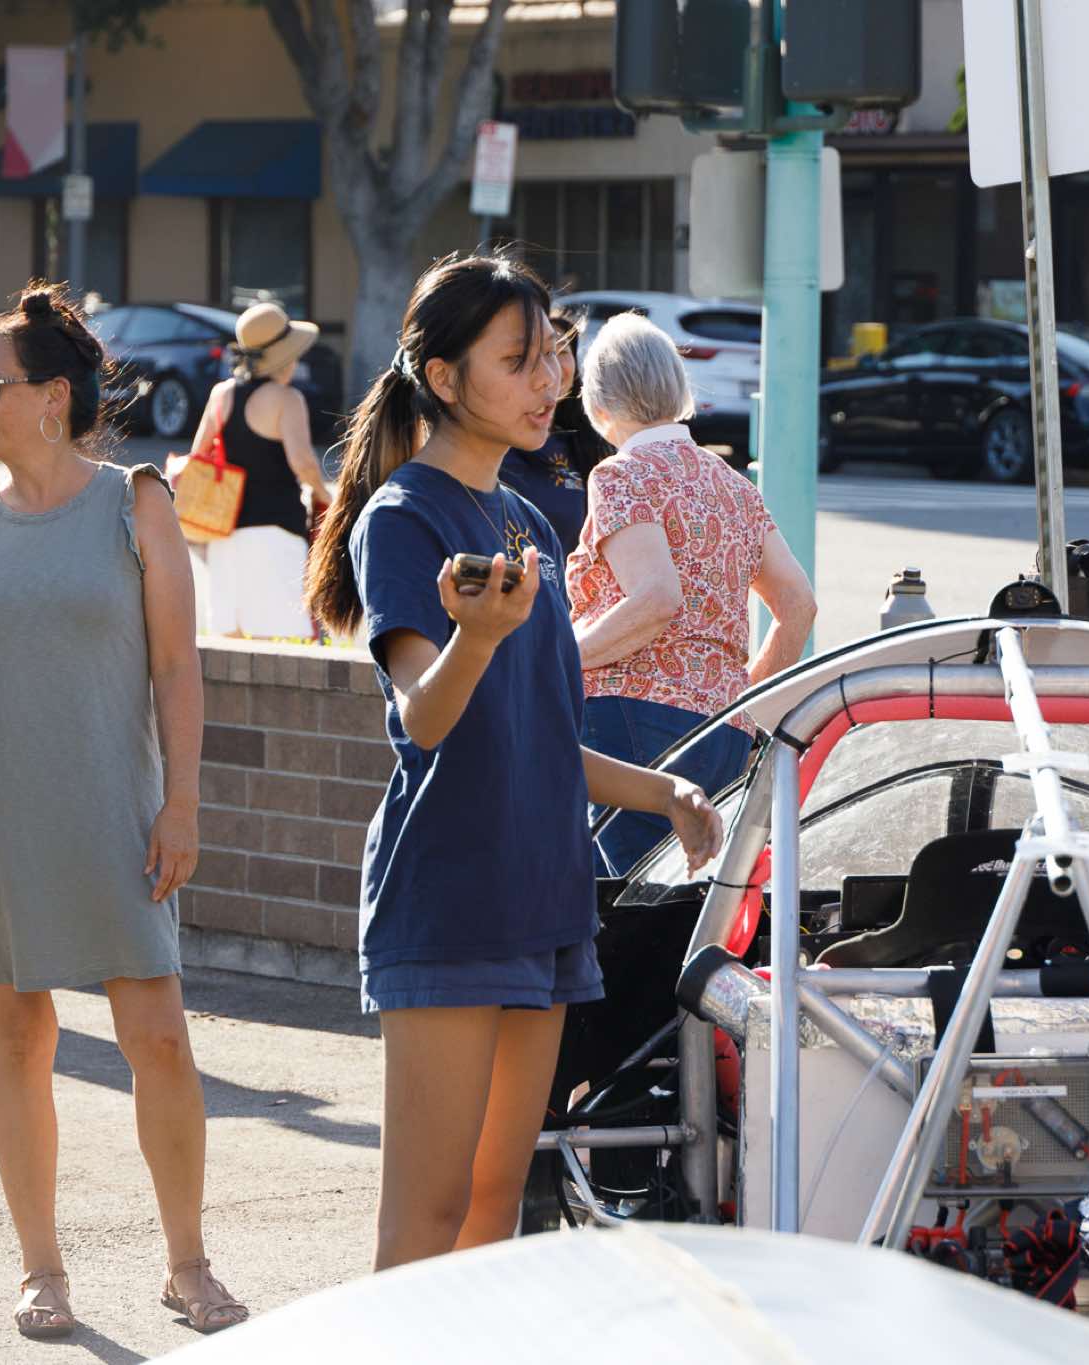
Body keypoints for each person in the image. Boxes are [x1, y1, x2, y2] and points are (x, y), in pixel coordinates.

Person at [302, 254, 724, 1270]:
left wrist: (665, 790)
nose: (550, 382)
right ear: (444, 378)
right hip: (451, 896)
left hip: (548, 897)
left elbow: (540, 734)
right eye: (519, 360)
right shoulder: (403, 515)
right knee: (428, 1213)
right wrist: (477, 637)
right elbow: (426, 718)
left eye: (555, 356)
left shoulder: (528, 520)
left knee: (498, 1205)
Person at [0, 284, 247, 1336]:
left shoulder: (134, 502)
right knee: (17, 1036)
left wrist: (181, 802)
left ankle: (188, 1265)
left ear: (51, 396)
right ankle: (41, 1270)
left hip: (117, 805)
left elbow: (178, 667)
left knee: (159, 1038)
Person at [569, 313, 816, 876]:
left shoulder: (620, 474)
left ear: (598, 402)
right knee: (689, 897)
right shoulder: (733, 485)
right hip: (722, 729)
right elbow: (799, 606)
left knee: (627, 902)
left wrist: (559, 655)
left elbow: (657, 599)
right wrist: (740, 701)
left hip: (629, 717)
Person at [184, 300, 332, 638]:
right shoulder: (287, 400)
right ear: (284, 356)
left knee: (232, 648)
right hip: (276, 534)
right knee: (281, 646)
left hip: (225, 536)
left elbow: (198, 458)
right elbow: (303, 463)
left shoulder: (221, 395)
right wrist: (326, 496)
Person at [498, 306, 610, 555]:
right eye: (540, 353)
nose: (552, 368)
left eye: (560, 352)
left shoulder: (590, 444)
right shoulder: (495, 442)